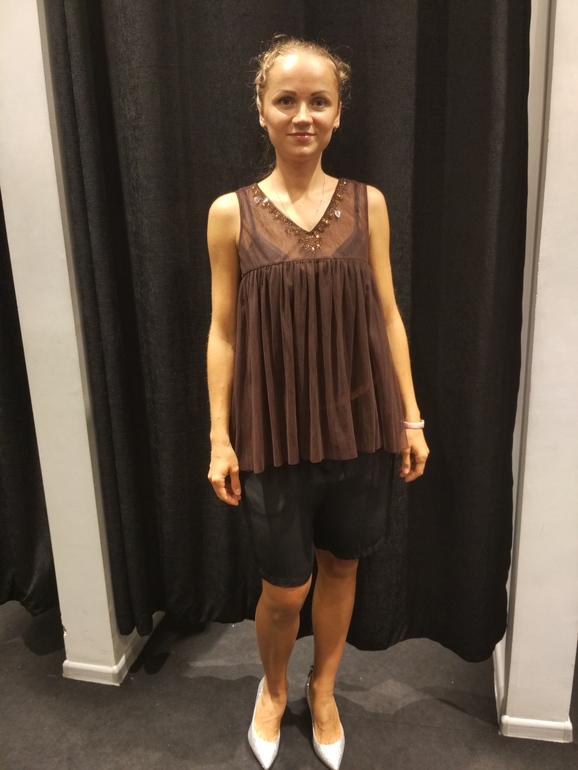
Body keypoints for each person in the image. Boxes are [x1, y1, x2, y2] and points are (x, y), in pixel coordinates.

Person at [206, 36, 429, 770]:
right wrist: (220, 438)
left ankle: (323, 689)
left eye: (319, 101)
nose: (303, 115)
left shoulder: (369, 205)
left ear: (338, 114)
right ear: (261, 111)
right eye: (287, 100)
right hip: (272, 434)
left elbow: (389, 316)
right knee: (284, 589)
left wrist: (411, 418)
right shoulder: (230, 214)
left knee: (341, 569)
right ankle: (273, 689)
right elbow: (223, 332)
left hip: (360, 428)